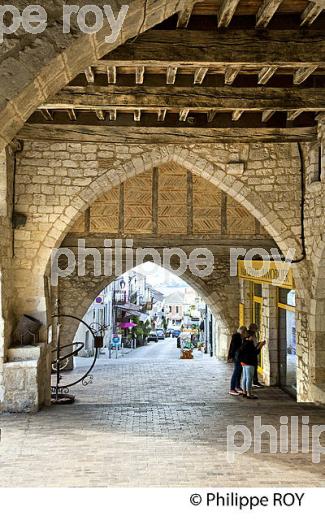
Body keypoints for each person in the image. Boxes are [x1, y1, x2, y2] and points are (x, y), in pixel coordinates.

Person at [238, 332, 265, 399]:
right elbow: (255, 353)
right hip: (250, 363)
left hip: (244, 363)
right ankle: (249, 394)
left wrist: (241, 361)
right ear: (249, 337)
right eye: (252, 337)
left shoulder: (243, 343)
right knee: (249, 378)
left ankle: (244, 392)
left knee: (244, 378)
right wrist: (260, 346)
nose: (253, 338)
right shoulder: (250, 344)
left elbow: (240, 353)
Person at [228, 326, 247, 396]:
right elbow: (233, 348)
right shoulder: (237, 337)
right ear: (243, 332)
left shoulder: (240, 337)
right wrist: (230, 356)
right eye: (245, 332)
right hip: (237, 357)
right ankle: (232, 388)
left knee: (239, 372)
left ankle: (237, 386)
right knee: (236, 372)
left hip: (239, 357)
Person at [248, 323, 265, 388]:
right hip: (251, 355)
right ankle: (253, 383)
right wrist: (260, 345)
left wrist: (259, 344)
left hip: (252, 354)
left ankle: (255, 382)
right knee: (253, 369)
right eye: (256, 328)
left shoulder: (253, 335)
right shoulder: (251, 336)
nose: (257, 329)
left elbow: (254, 344)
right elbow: (253, 347)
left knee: (254, 368)